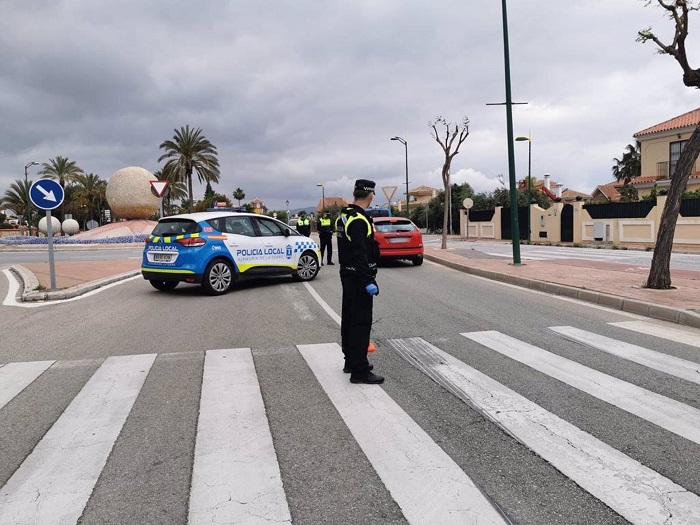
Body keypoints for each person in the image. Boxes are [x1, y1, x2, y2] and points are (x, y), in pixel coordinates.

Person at [336, 179, 383, 384]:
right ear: (370, 195)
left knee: (349, 319)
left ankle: (351, 361)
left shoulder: (344, 216)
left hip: (347, 274)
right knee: (361, 323)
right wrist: (368, 281)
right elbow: (360, 253)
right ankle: (360, 371)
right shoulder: (358, 220)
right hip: (358, 278)